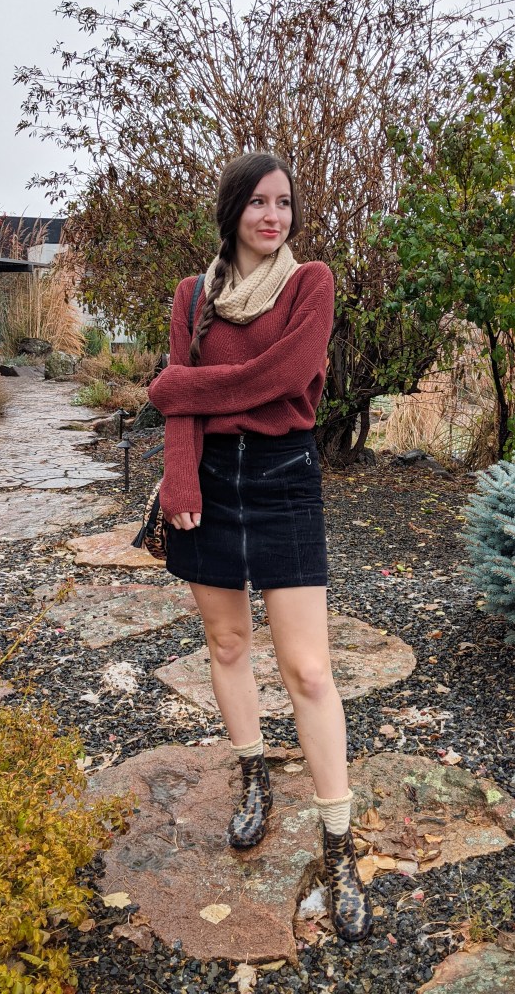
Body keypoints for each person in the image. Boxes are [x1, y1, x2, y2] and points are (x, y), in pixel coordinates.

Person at [147, 151, 372, 942]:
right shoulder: (192, 297)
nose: (273, 217)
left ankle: (338, 846)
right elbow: (182, 415)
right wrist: (179, 480)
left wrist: (178, 384)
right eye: (258, 203)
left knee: (310, 670)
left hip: (283, 478)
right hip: (206, 480)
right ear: (233, 209)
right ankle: (254, 778)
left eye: (284, 204)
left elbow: (289, 373)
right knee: (226, 640)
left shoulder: (311, 281)